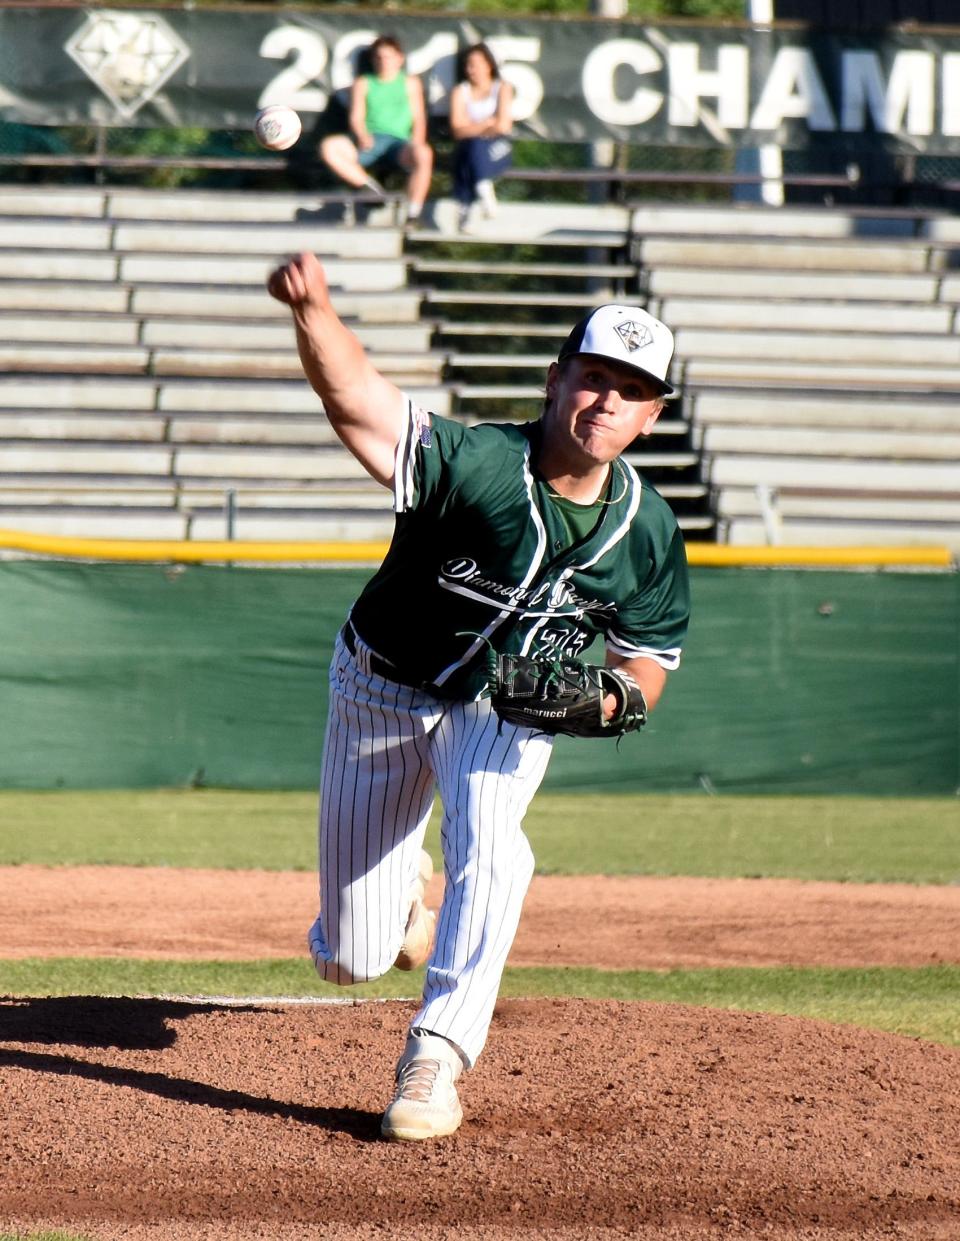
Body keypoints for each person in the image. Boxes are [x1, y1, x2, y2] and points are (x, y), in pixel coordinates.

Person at [266, 250, 690, 1142]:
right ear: (556, 378)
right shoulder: (479, 463)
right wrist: (314, 313)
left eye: (633, 389)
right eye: (595, 375)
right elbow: (362, 406)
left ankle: (435, 1056)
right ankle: (404, 914)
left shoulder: (646, 531)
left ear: (651, 417)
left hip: (507, 711)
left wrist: (615, 701)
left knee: (495, 844)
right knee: (349, 957)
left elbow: (648, 652)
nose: (607, 400)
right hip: (381, 690)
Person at [319, 34, 433, 223]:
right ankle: (369, 187)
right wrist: (362, 135)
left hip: (399, 143)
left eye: (388, 57)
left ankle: (413, 213)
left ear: (399, 59)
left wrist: (416, 143)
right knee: (329, 147)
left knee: (424, 153)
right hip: (370, 141)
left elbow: (419, 118)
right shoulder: (363, 83)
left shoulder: (410, 83)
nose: (383, 62)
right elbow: (356, 117)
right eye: (379, 57)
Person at [449, 43, 514, 231]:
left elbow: (503, 126)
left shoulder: (502, 88)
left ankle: (466, 206)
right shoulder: (460, 91)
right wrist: (486, 124)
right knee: (471, 148)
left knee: (472, 148)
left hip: (499, 149)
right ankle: (483, 188)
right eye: (468, 65)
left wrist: (472, 127)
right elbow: (457, 130)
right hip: (471, 148)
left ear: (489, 65)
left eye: (475, 64)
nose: (471, 70)